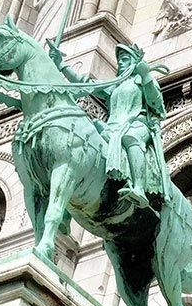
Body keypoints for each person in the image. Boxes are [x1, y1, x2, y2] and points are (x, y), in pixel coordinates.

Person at [52, 42, 167, 208]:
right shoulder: (115, 85)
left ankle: (139, 189)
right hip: (113, 127)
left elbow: (157, 104)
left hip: (137, 124)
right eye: (119, 59)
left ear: (135, 63)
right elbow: (86, 84)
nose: (120, 62)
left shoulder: (142, 80)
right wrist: (61, 64)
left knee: (130, 138)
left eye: (125, 59)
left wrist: (146, 76)